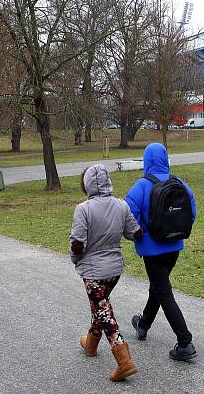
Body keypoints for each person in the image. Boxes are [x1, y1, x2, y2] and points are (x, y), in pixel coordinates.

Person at [70, 164, 143, 382]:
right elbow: (134, 232)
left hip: (93, 272)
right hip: (114, 271)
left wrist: (76, 261)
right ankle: (90, 345)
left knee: (104, 312)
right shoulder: (121, 205)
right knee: (100, 307)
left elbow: (77, 244)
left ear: (87, 184)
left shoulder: (83, 209)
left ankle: (124, 362)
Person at [126, 143, 198, 361]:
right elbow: (191, 213)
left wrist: (141, 235)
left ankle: (185, 342)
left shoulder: (140, 187)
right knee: (158, 286)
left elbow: (128, 218)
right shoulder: (181, 184)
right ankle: (143, 324)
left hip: (152, 250)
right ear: (165, 158)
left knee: (163, 291)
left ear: (146, 160)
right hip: (174, 247)